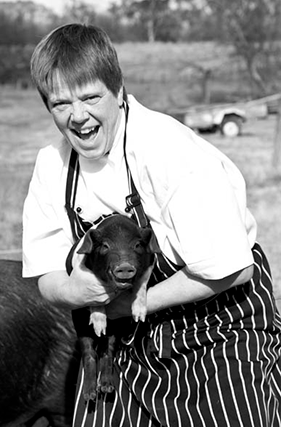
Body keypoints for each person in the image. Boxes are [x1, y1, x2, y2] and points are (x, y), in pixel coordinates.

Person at [22, 23, 281, 427]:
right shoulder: (51, 166)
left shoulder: (170, 151)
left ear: (118, 90)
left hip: (215, 331)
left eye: (91, 97)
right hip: (116, 344)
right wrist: (74, 289)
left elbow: (234, 268)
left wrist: (129, 304)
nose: (78, 116)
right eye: (60, 104)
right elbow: (44, 276)